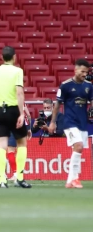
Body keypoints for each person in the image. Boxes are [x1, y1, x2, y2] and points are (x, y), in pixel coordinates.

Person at [0, 46, 31, 188]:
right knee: (22, 143)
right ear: (14, 57)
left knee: (1, 145)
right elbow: (19, 92)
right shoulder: (17, 71)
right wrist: (21, 113)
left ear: (2, 58)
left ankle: (2, 179)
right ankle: (19, 178)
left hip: (0, 110)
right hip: (13, 109)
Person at [48, 59, 93, 189]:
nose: (85, 74)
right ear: (76, 69)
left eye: (87, 72)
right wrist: (52, 122)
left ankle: (70, 180)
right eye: (82, 71)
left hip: (83, 123)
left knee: (78, 150)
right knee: (78, 146)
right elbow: (57, 106)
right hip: (70, 122)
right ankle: (75, 179)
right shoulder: (65, 85)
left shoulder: (89, 86)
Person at [7, 104, 32, 182]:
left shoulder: (8, 99)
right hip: (22, 126)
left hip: (12, 125)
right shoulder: (21, 99)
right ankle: (20, 174)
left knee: (10, 150)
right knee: (21, 149)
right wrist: (28, 129)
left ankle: (16, 174)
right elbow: (27, 115)